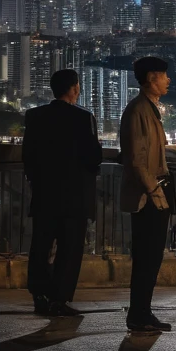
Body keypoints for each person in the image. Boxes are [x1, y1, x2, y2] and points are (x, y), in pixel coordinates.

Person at [22, 69, 103, 316]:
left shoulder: (34, 116)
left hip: (45, 194)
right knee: (69, 250)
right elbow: (93, 158)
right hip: (74, 197)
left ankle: (39, 293)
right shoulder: (83, 118)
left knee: (41, 245)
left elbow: (28, 156)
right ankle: (60, 299)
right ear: (74, 89)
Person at [120, 56, 174, 332]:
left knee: (151, 258)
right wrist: (154, 191)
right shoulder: (139, 110)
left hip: (155, 193)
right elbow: (137, 160)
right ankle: (138, 314)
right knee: (146, 257)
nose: (168, 80)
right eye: (164, 76)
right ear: (152, 78)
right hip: (148, 197)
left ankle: (143, 312)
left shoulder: (149, 108)